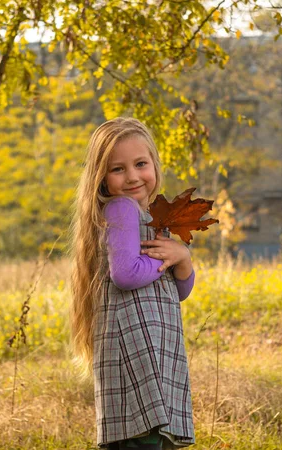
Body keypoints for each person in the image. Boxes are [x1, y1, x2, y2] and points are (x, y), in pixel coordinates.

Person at [70, 117, 196, 450]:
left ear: (154, 164)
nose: (132, 177)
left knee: (146, 439)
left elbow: (177, 291)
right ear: (102, 179)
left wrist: (181, 259)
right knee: (144, 440)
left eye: (140, 164)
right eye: (118, 169)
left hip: (152, 348)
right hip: (138, 351)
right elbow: (125, 274)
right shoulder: (122, 209)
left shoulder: (151, 218)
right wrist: (166, 257)